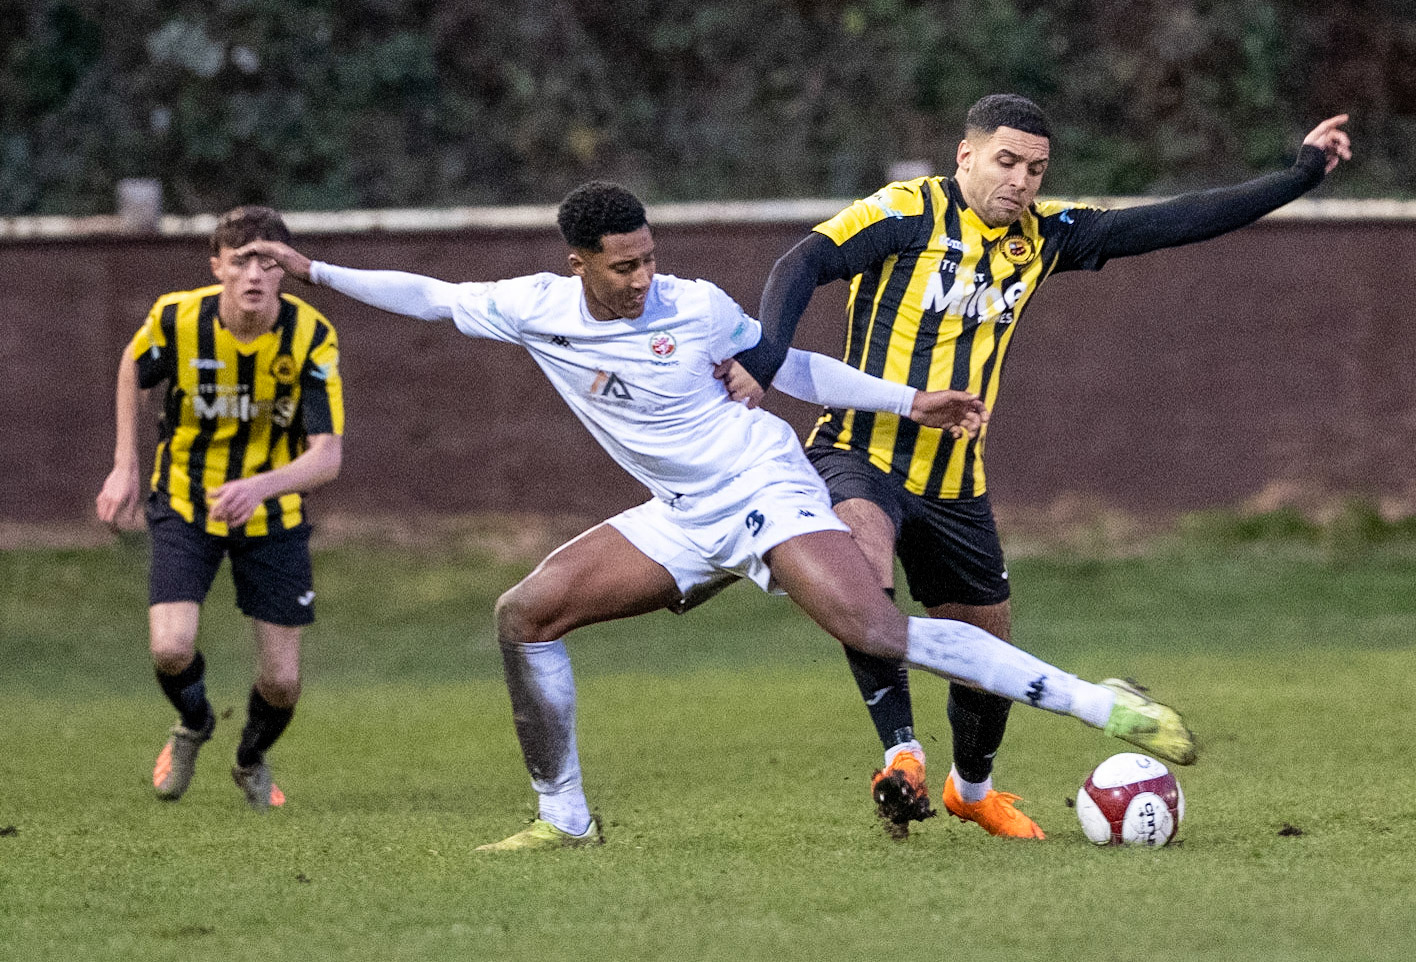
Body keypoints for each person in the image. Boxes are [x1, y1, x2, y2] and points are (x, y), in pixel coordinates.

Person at [240, 180, 1197, 851]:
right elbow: (429, 297)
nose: (641, 277)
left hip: (763, 488)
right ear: (578, 263)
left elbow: (791, 369)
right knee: (522, 616)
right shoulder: (533, 307)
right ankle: (562, 817)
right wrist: (314, 269)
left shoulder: (693, 305)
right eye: (621, 266)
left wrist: (910, 402)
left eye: (649, 257)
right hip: (682, 513)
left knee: (871, 621)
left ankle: (1101, 704)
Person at [718, 94, 1351, 839]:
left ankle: (971, 790)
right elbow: (802, 262)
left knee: (989, 653)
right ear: (967, 156)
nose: (1020, 181)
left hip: (956, 482)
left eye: (1036, 169)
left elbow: (1174, 221)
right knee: (864, 576)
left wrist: (1300, 175)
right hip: (861, 452)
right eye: (1006, 162)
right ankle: (903, 758)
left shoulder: (1044, 237)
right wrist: (762, 358)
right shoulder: (901, 213)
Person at [96, 205, 345, 813]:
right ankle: (195, 722)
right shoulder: (178, 317)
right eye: (241, 262)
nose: (255, 274)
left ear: (286, 270)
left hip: (272, 520)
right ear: (218, 268)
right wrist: (126, 464)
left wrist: (260, 487)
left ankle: (250, 758)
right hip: (185, 501)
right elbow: (134, 363)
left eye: (269, 262)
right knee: (171, 648)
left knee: (283, 682)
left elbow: (327, 457)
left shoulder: (311, 337)